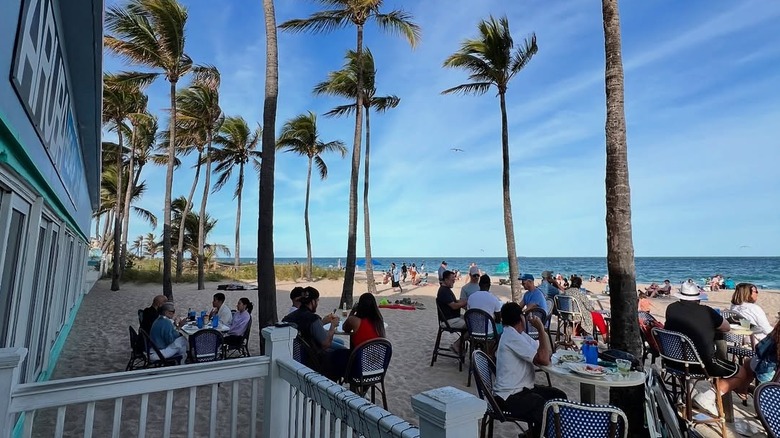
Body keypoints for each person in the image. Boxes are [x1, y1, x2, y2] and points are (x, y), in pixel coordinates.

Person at [664, 281, 753, 410]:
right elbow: (726, 327)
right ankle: (708, 397)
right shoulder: (707, 312)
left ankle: (689, 392)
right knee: (741, 372)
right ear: (698, 299)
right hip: (702, 364)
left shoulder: (671, 308)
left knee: (688, 354)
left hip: (673, 361)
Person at [493, 302, 566, 437]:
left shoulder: (519, 335)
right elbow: (544, 359)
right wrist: (541, 330)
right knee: (541, 404)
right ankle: (541, 434)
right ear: (521, 319)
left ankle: (532, 434)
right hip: (508, 396)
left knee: (558, 397)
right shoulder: (511, 337)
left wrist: (541, 335)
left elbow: (545, 353)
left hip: (522, 389)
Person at [282, 286, 349, 380]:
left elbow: (307, 329)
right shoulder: (312, 319)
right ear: (313, 301)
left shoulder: (289, 317)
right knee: (346, 353)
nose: (317, 304)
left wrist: (323, 322)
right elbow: (326, 344)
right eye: (317, 301)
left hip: (295, 358)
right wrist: (332, 326)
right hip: (314, 361)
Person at [436, 270, 467, 353]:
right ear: (446, 280)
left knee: (472, 319)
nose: (454, 280)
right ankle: (457, 344)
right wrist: (465, 302)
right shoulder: (444, 291)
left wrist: (464, 304)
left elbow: (454, 302)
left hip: (453, 318)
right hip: (449, 321)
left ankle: (461, 344)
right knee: (473, 325)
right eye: (452, 279)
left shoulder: (446, 290)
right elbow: (453, 306)